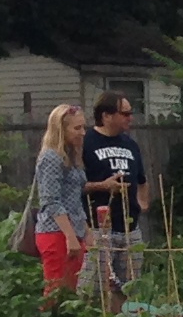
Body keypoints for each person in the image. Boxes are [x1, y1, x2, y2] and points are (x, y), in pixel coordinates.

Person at [82, 91, 153, 300]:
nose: (130, 117)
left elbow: (142, 180)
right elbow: (75, 185)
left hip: (130, 229)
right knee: (94, 291)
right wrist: (103, 186)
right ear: (106, 116)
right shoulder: (87, 142)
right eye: (125, 113)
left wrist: (142, 205)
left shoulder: (130, 144)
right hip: (99, 228)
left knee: (128, 290)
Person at [30, 104, 92, 298]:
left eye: (84, 127)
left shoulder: (71, 156)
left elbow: (74, 199)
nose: (82, 133)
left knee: (73, 292)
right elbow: (51, 200)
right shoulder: (51, 157)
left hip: (73, 232)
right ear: (61, 130)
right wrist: (70, 236)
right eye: (77, 128)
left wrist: (86, 231)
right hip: (56, 233)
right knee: (56, 291)